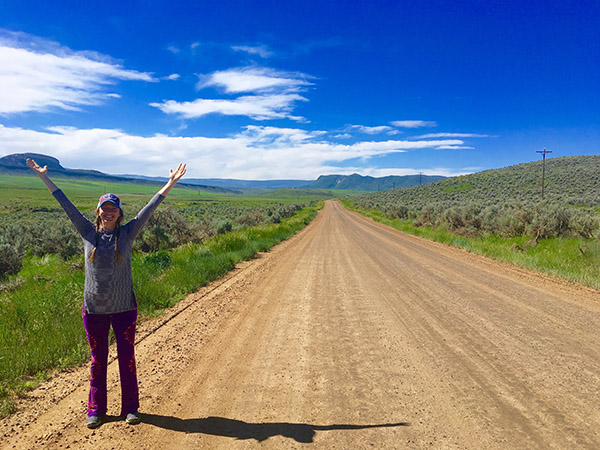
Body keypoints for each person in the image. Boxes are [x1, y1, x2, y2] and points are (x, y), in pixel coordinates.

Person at [26, 158, 186, 429]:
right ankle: (96, 410)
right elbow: (66, 205)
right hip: (94, 310)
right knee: (98, 360)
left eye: (113, 208)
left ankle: (131, 408)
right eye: (104, 208)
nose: (109, 212)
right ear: (98, 212)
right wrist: (44, 177)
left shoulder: (128, 233)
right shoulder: (87, 232)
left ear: (119, 213)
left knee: (127, 358)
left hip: (124, 308)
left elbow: (149, 209)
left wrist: (169, 184)